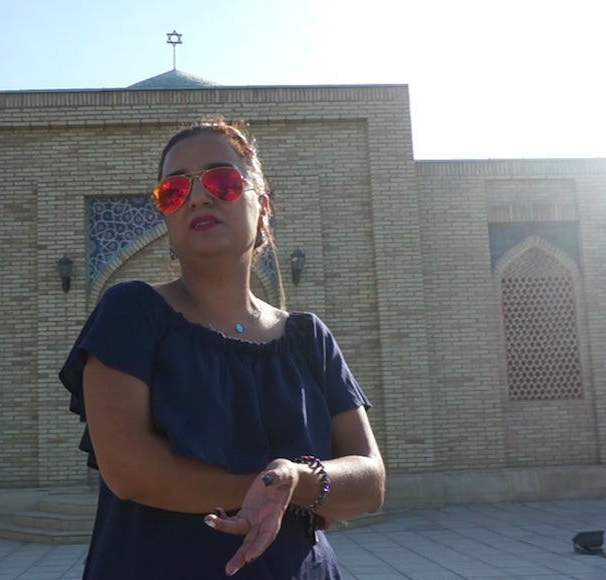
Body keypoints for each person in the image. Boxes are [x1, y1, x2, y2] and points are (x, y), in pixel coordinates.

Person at [60, 118, 385, 579]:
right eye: (173, 191)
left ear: (263, 205)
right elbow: (131, 470)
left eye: (222, 180)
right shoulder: (133, 313)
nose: (198, 196)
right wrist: (270, 487)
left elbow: (370, 480)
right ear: (165, 217)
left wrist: (292, 479)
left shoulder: (308, 338)